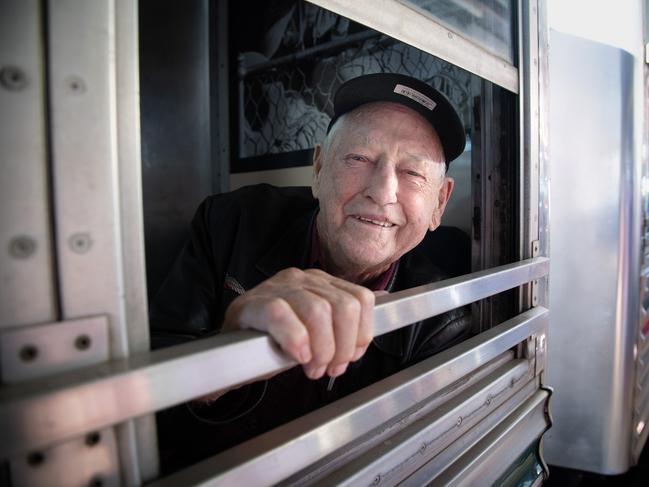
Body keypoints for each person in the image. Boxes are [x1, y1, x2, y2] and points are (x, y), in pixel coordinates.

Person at [151, 73, 471, 471]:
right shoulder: (231, 223)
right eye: (358, 158)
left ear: (440, 203)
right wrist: (229, 352)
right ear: (318, 169)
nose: (382, 191)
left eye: (413, 174)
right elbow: (148, 407)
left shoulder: (442, 313)